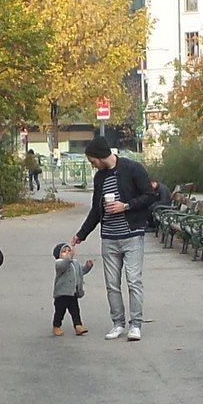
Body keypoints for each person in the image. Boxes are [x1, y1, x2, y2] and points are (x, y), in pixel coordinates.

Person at [70, 137, 157, 340]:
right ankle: (117, 323)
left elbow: (150, 196)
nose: (92, 165)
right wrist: (81, 234)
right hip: (109, 236)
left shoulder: (132, 168)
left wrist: (125, 206)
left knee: (133, 280)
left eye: (93, 161)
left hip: (132, 234)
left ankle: (135, 324)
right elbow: (95, 210)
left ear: (101, 156)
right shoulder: (100, 178)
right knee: (112, 283)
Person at [51, 243, 95, 335]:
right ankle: (56, 326)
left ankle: (78, 326)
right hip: (62, 294)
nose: (67, 252)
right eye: (64, 251)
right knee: (60, 311)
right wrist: (68, 258)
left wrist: (87, 267)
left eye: (69, 250)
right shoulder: (59, 263)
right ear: (58, 255)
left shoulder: (75, 263)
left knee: (75, 311)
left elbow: (81, 272)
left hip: (72, 293)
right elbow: (63, 266)